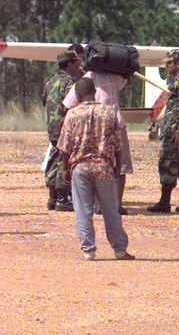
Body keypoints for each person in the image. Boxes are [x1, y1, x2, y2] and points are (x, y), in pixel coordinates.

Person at [57, 76, 134, 260]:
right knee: (110, 210)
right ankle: (119, 250)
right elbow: (117, 143)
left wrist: (65, 169)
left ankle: (89, 250)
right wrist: (117, 167)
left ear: (78, 94)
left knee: (83, 210)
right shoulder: (108, 112)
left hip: (81, 168)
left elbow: (65, 146)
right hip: (104, 168)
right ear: (95, 92)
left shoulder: (72, 114)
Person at [63, 58, 134, 214]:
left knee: (92, 164)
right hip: (116, 124)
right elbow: (127, 80)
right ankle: (117, 204)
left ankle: (97, 204)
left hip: (91, 128)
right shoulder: (113, 77)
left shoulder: (85, 79)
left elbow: (68, 104)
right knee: (120, 167)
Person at [147, 48, 179, 213]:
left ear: (178, 64)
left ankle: (164, 202)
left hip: (176, 129)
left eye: (169, 63)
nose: (167, 66)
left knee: (168, 162)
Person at [42, 51, 84, 211]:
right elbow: (73, 104)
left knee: (53, 159)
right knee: (62, 161)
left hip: (52, 127)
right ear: (69, 64)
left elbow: (43, 100)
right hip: (63, 128)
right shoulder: (69, 83)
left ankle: (52, 198)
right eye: (76, 62)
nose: (78, 65)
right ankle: (62, 199)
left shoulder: (50, 82)